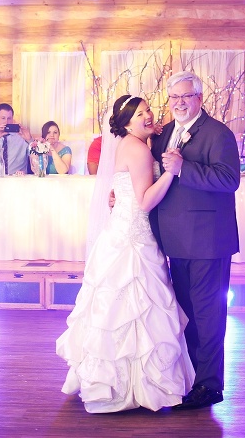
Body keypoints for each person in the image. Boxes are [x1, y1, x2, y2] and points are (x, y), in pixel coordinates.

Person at [56, 94, 194, 413]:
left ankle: (111, 380)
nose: (147, 116)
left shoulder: (127, 145)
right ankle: (140, 385)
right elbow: (145, 201)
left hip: (119, 232)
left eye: (148, 111)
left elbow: (127, 190)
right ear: (127, 122)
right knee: (139, 308)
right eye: (140, 114)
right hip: (134, 236)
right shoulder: (139, 148)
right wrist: (171, 173)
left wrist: (155, 133)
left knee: (113, 311)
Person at [149, 70, 241, 410]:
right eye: (174, 97)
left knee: (208, 316)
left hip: (208, 242)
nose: (179, 103)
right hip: (174, 241)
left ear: (199, 98)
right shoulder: (165, 134)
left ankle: (210, 386)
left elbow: (229, 179)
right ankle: (190, 379)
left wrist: (184, 168)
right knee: (185, 315)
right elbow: (156, 177)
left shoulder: (218, 133)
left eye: (186, 96)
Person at [0, 103, 32, 175]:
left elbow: (36, 158)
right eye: (3, 118)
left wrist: (30, 140)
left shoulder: (21, 137)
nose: (6, 122)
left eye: (9, 118)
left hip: (17, 180)